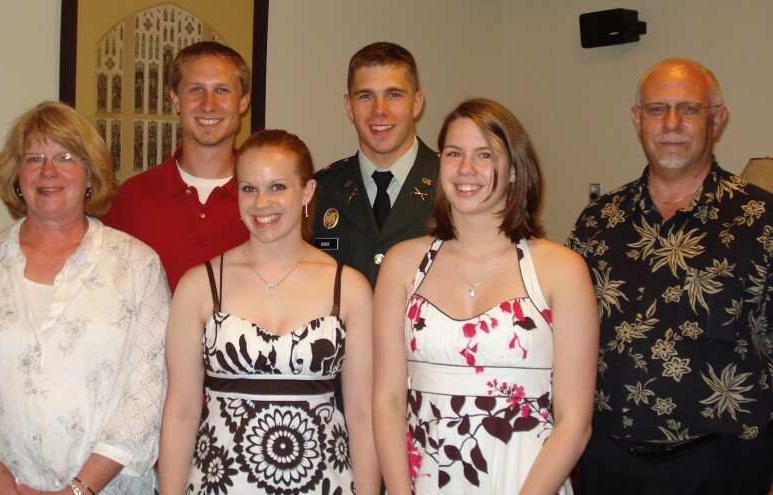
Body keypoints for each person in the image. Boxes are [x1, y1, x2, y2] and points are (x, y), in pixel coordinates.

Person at [0, 101, 168, 494]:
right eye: (34, 158)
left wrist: (78, 490)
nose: (48, 171)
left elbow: (146, 392)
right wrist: (5, 490)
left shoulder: (137, 266)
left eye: (66, 157)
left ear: (90, 175)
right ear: (16, 178)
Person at [566, 58, 773, 494]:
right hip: (607, 461)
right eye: (657, 109)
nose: (672, 123)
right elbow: (564, 339)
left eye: (689, 109)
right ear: (637, 120)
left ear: (717, 118)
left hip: (720, 464)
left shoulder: (761, 221)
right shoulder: (597, 222)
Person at [374, 98, 597, 494]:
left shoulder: (561, 270)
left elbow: (574, 421)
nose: (466, 169)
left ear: (513, 170)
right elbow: (388, 399)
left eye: (485, 155)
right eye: (454, 153)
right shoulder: (401, 264)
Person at [158, 129, 380, 494]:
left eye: (277, 187)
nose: (262, 203)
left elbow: (361, 415)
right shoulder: (199, 286)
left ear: (307, 192)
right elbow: (181, 411)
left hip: (324, 483)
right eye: (249, 189)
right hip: (222, 483)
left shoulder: (350, 288)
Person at [0, 41, 251, 290]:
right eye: (196, 89)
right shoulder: (131, 198)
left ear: (243, 102)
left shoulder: (267, 202)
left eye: (222, 90)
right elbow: (57, 237)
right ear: (174, 100)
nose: (209, 104)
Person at [313, 42, 438, 287]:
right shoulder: (320, 192)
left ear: (416, 103)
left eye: (393, 95)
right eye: (366, 96)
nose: (379, 110)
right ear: (349, 106)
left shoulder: (454, 186)